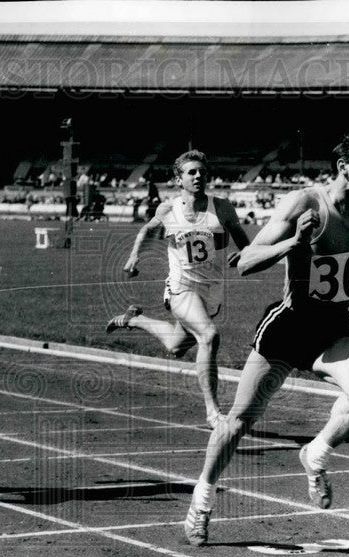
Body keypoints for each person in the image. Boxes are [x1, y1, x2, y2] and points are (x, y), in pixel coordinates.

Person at [182, 132, 349, 546]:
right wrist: (295, 242)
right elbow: (246, 260)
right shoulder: (305, 203)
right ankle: (201, 501)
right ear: (344, 166)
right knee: (238, 424)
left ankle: (315, 455)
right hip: (289, 327)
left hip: (332, 330)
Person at [107, 150, 250, 428]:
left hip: (211, 291)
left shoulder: (222, 207)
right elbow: (147, 230)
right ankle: (213, 413)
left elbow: (246, 245)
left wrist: (245, 255)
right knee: (208, 336)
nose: (198, 176)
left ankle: (134, 319)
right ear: (178, 179)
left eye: (202, 171)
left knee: (175, 346)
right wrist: (134, 255)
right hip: (181, 287)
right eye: (191, 172)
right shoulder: (168, 209)